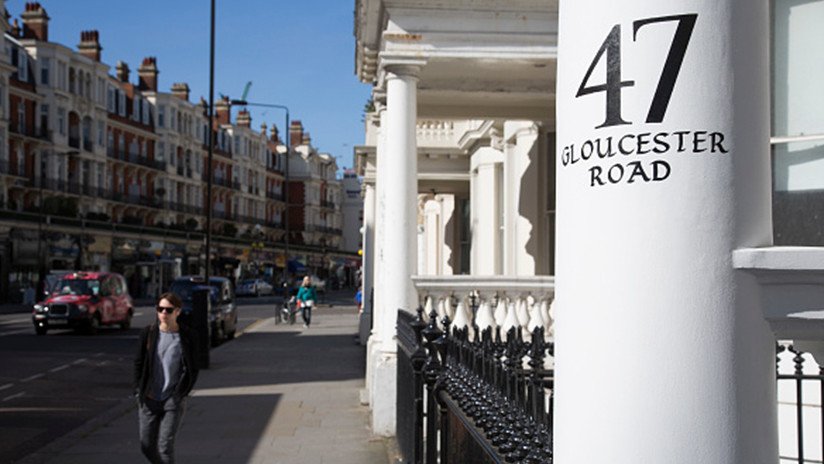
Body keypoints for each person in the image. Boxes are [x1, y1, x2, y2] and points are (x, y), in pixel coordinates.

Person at [133, 292, 199, 464]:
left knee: (165, 446)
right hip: (149, 398)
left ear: (178, 311)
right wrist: (138, 390)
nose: (163, 313)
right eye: (160, 309)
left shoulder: (186, 336)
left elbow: (193, 368)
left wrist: (181, 392)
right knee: (146, 446)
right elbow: (138, 363)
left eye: (168, 310)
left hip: (172, 400)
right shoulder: (148, 333)